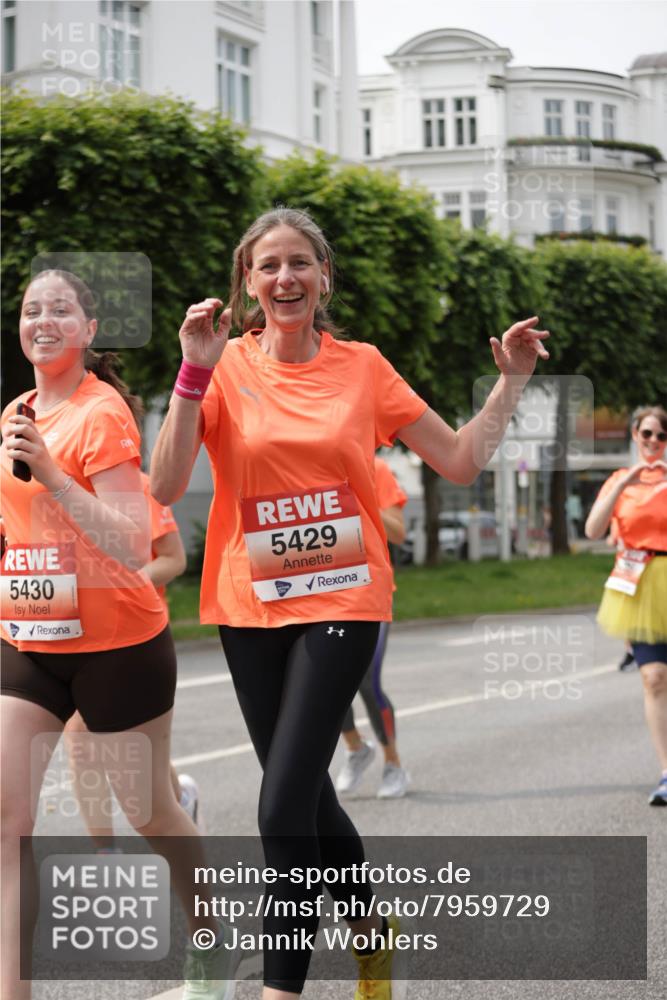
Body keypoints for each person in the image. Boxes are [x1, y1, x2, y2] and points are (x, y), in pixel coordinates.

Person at [151, 206, 549, 1000]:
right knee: (308, 796)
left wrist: (510, 383)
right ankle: (369, 926)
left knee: (277, 809)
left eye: (300, 263)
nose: (285, 277)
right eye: (268, 266)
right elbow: (160, 488)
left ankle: (279, 989)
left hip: (344, 592)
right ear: (247, 282)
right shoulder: (221, 366)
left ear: (323, 277)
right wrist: (191, 373)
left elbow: (461, 460)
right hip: (246, 602)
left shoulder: (363, 366)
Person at [0, 269, 231, 1000]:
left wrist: (54, 476)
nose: (43, 320)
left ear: (88, 330)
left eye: (61, 309)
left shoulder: (102, 416)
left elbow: (134, 540)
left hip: (118, 648)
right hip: (29, 640)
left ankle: (208, 943)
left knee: (149, 812)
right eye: (32, 310)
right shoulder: (16, 411)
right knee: (8, 823)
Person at [62, 472, 203, 850]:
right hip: (70, 637)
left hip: (132, 636)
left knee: (132, 744)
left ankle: (179, 802)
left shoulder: (141, 486)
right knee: (79, 738)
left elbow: (174, 559)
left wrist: (117, 584)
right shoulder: (48, 483)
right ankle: (105, 850)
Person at [585, 405, 667, 805]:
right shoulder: (620, 480)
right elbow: (593, 528)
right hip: (639, 585)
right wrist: (624, 484)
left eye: (661, 436)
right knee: (653, 677)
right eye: (647, 433)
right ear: (635, 434)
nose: (653, 442)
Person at [336, 455, 410, 799]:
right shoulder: (304, 464)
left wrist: (357, 499)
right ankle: (355, 748)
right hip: (324, 594)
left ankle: (393, 764)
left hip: (370, 593)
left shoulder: (375, 468)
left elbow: (397, 531)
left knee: (367, 683)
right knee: (321, 684)